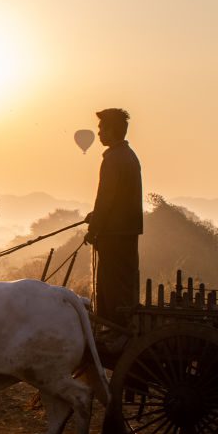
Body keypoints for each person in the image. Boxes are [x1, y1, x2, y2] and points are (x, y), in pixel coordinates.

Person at [84, 108, 142, 333]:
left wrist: (94, 229)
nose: (99, 133)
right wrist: (95, 217)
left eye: (102, 128)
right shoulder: (128, 156)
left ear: (112, 130)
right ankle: (121, 328)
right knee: (124, 282)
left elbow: (106, 197)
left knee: (110, 285)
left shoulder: (113, 159)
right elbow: (117, 198)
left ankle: (115, 331)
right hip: (126, 231)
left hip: (114, 234)